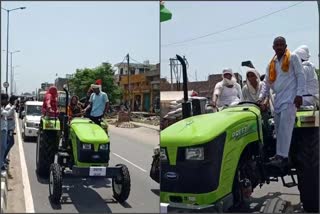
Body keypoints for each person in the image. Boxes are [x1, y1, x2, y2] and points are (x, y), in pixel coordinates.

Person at [258, 36, 305, 167]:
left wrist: (299, 94)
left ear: (285, 46)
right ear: (273, 47)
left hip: (290, 98)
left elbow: (300, 75)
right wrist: (261, 98)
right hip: (278, 100)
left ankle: (283, 157)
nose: (279, 47)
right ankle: (279, 155)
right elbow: (266, 84)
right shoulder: (271, 64)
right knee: (278, 129)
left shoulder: (293, 57)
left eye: (281, 45)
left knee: (285, 127)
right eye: (276, 45)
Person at [4, 95, 17, 165]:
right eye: (16, 100)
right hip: (9, 129)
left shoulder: (11, 107)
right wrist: (13, 107)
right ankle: (3, 157)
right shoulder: (9, 107)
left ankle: (4, 157)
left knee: (9, 143)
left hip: (10, 128)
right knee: (10, 143)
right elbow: (6, 116)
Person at [1, 93, 9, 173]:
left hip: (3, 129)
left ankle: (2, 163)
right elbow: (7, 113)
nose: (6, 101)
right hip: (2, 129)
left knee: (3, 147)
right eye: (6, 99)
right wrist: (13, 106)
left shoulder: (3, 107)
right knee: (3, 147)